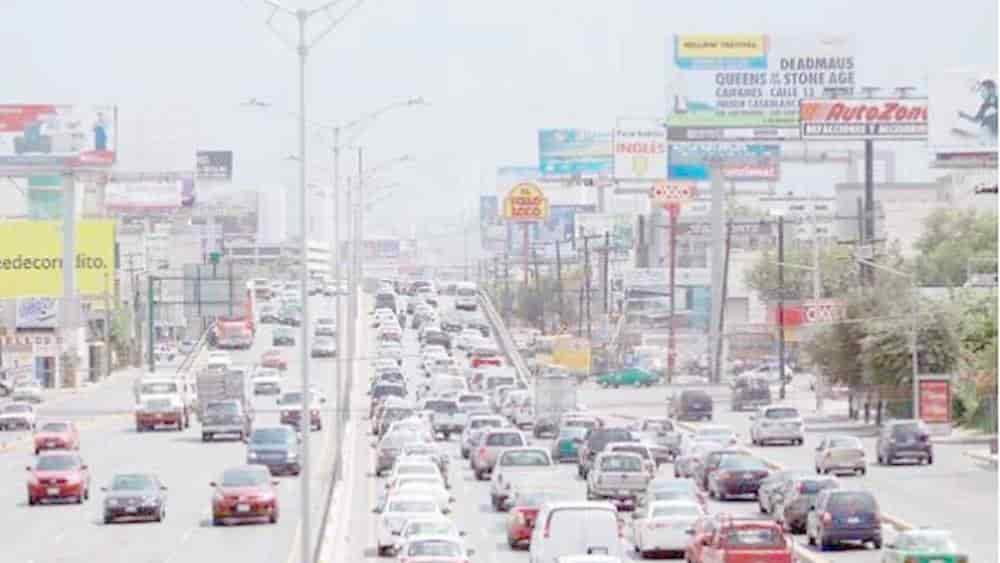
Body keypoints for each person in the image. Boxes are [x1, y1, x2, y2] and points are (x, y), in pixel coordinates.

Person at [957, 79, 997, 144]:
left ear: (991, 90)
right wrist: (964, 115)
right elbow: (976, 120)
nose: (981, 93)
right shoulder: (985, 105)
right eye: (981, 91)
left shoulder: (995, 102)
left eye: (983, 91)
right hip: (986, 135)